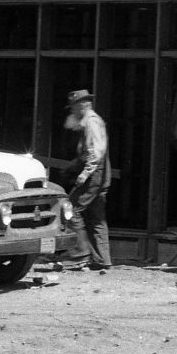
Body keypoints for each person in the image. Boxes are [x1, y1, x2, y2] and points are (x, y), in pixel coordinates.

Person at [57, 87, 112, 272]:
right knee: (97, 218)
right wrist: (74, 165)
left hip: (94, 173)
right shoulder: (89, 122)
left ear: (82, 105)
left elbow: (96, 152)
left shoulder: (91, 122)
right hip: (99, 173)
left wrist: (83, 174)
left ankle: (80, 254)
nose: (72, 111)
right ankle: (103, 259)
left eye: (73, 107)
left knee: (71, 209)